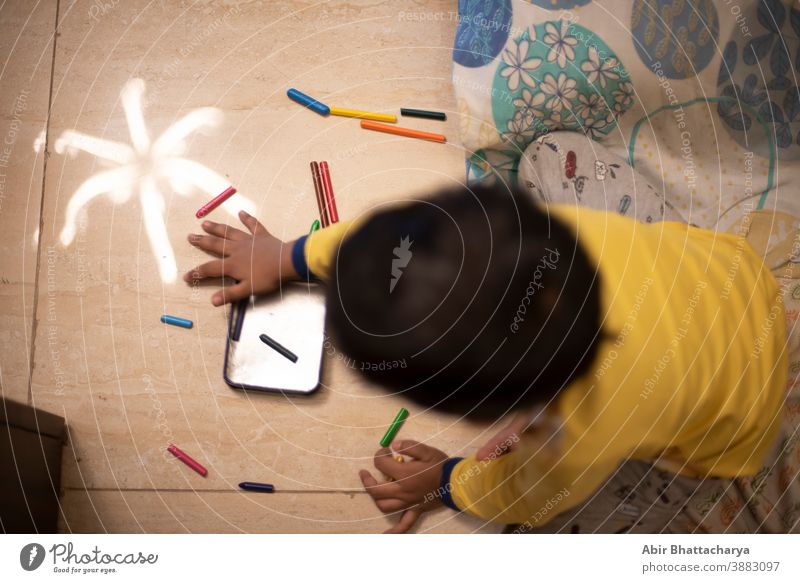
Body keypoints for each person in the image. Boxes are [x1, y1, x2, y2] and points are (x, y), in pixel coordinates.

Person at [184, 172, 787, 534]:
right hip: (734, 274)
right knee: (552, 159)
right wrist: (288, 255)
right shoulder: (548, 232)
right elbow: (409, 241)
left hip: (734, 429)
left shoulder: (576, 440)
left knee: (552, 529)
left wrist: (449, 481)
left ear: (485, 418)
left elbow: (527, 494)